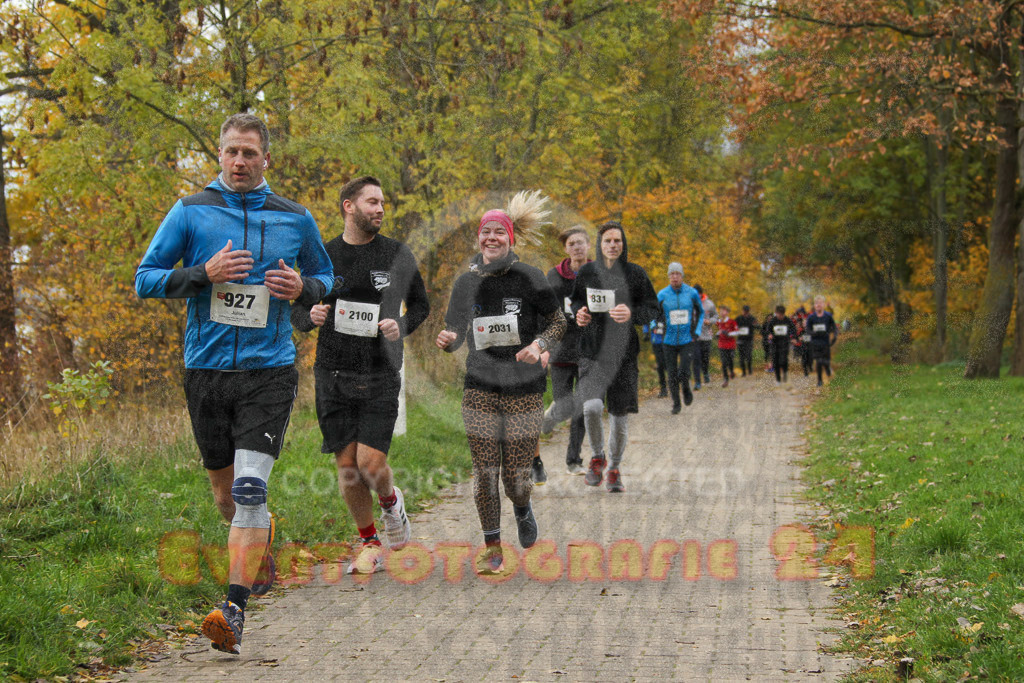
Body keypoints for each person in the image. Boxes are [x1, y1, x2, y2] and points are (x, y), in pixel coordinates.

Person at [135, 114, 334, 655]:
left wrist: (303, 286)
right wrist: (203, 274)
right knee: (227, 496)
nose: (240, 162)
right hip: (206, 373)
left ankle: (234, 609)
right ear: (219, 157)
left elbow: (326, 276)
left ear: (267, 159)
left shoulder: (295, 218)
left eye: (250, 152)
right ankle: (260, 538)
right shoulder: (191, 211)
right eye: (231, 152)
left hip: (269, 371)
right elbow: (145, 278)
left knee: (249, 489)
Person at [291, 176, 430, 575]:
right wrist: (309, 316)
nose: (380, 209)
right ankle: (369, 542)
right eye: (371, 202)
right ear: (348, 206)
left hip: (380, 371)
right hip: (332, 373)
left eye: (383, 203)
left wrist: (400, 326)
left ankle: (391, 503)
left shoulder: (396, 254)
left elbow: (420, 306)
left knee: (370, 463)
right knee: (347, 466)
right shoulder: (323, 256)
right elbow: (296, 308)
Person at [437, 191, 565, 574]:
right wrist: (448, 341)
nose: (491, 238)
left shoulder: (530, 277)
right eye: (485, 232)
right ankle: (493, 546)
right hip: (479, 387)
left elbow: (558, 322)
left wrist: (539, 345)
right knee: (485, 472)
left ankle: (522, 506)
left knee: (515, 478)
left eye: (499, 232)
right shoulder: (465, 284)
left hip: (524, 389)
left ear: (510, 239)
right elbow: (456, 331)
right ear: (478, 238)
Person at [567, 221, 659, 492]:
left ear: (624, 244)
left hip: (624, 356)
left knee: (619, 418)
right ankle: (598, 456)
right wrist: (579, 313)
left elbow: (653, 309)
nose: (613, 245)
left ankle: (614, 469)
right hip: (591, 352)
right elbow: (574, 301)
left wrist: (633, 314)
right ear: (600, 244)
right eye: (607, 241)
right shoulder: (587, 272)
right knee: (591, 407)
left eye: (617, 241)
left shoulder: (635, 274)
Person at [545, 226, 591, 476]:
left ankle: (574, 460)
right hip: (562, 351)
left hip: (589, 350)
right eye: (572, 244)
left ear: (588, 245)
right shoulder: (554, 276)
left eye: (581, 242)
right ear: (566, 249)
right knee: (564, 406)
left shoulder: (597, 273)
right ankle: (551, 416)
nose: (577, 247)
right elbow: (545, 311)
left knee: (583, 407)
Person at [656, 262, 703, 414]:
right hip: (668, 340)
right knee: (671, 373)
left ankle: (686, 389)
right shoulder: (662, 294)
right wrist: (653, 326)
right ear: (668, 276)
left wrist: (697, 330)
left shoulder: (691, 293)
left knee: (683, 371)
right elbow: (652, 313)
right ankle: (676, 403)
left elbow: (701, 312)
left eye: (677, 274)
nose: (675, 277)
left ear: (682, 276)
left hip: (687, 339)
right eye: (672, 274)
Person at [805, 295, 839, 386]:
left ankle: (827, 367)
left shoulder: (828, 316)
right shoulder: (811, 317)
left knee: (826, 360)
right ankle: (819, 380)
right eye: (816, 303)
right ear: (814, 306)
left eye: (820, 303)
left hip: (825, 342)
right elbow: (807, 330)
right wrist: (814, 333)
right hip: (815, 342)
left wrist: (835, 336)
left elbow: (834, 327)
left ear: (824, 305)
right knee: (819, 361)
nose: (818, 305)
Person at [691, 285, 716, 389]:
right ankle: (697, 381)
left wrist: (709, 321)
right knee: (696, 358)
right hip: (694, 336)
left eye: (698, 294)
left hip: (706, 335)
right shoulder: (689, 303)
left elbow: (715, 316)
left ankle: (705, 373)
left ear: (701, 294)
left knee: (705, 357)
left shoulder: (709, 304)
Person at [768, 305, 798, 384]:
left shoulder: (788, 320)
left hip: (785, 343)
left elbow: (794, 330)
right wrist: (770, 334)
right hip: (775, 344)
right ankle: (778, 379)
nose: (780, 316)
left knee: (783, 360)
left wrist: (793, 338)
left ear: (784, 314)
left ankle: (785, 374)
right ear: (776, 313)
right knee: (776, 361)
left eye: (781, 315)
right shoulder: (773, 321)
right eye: (778, 314)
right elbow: (768, 330)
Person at [716, 305, 738, 387]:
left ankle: (731, 371)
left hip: (731, 345)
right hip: (722, 345)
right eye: (721, 311)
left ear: (727, 312)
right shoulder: (718, 322)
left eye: (724, 311)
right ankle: (725, 379)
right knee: (724, 363)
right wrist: (717, 334)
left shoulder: (732, 322)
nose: (722, 312)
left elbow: (737, 332)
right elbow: (719, 330)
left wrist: (729, 334)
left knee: (730, 360)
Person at [734, 305, 757, 376]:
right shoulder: (738, 318)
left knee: (749, 356)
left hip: (749, 340)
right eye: (744, 311)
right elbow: (733, 326)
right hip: (740, 339)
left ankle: (749, 369)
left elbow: (758, 326)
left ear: (748, 312)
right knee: (741, 357)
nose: (745, 313)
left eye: (747, 312)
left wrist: (755, 325)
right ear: (742, 311)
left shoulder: (752, 318)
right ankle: (743, 372)